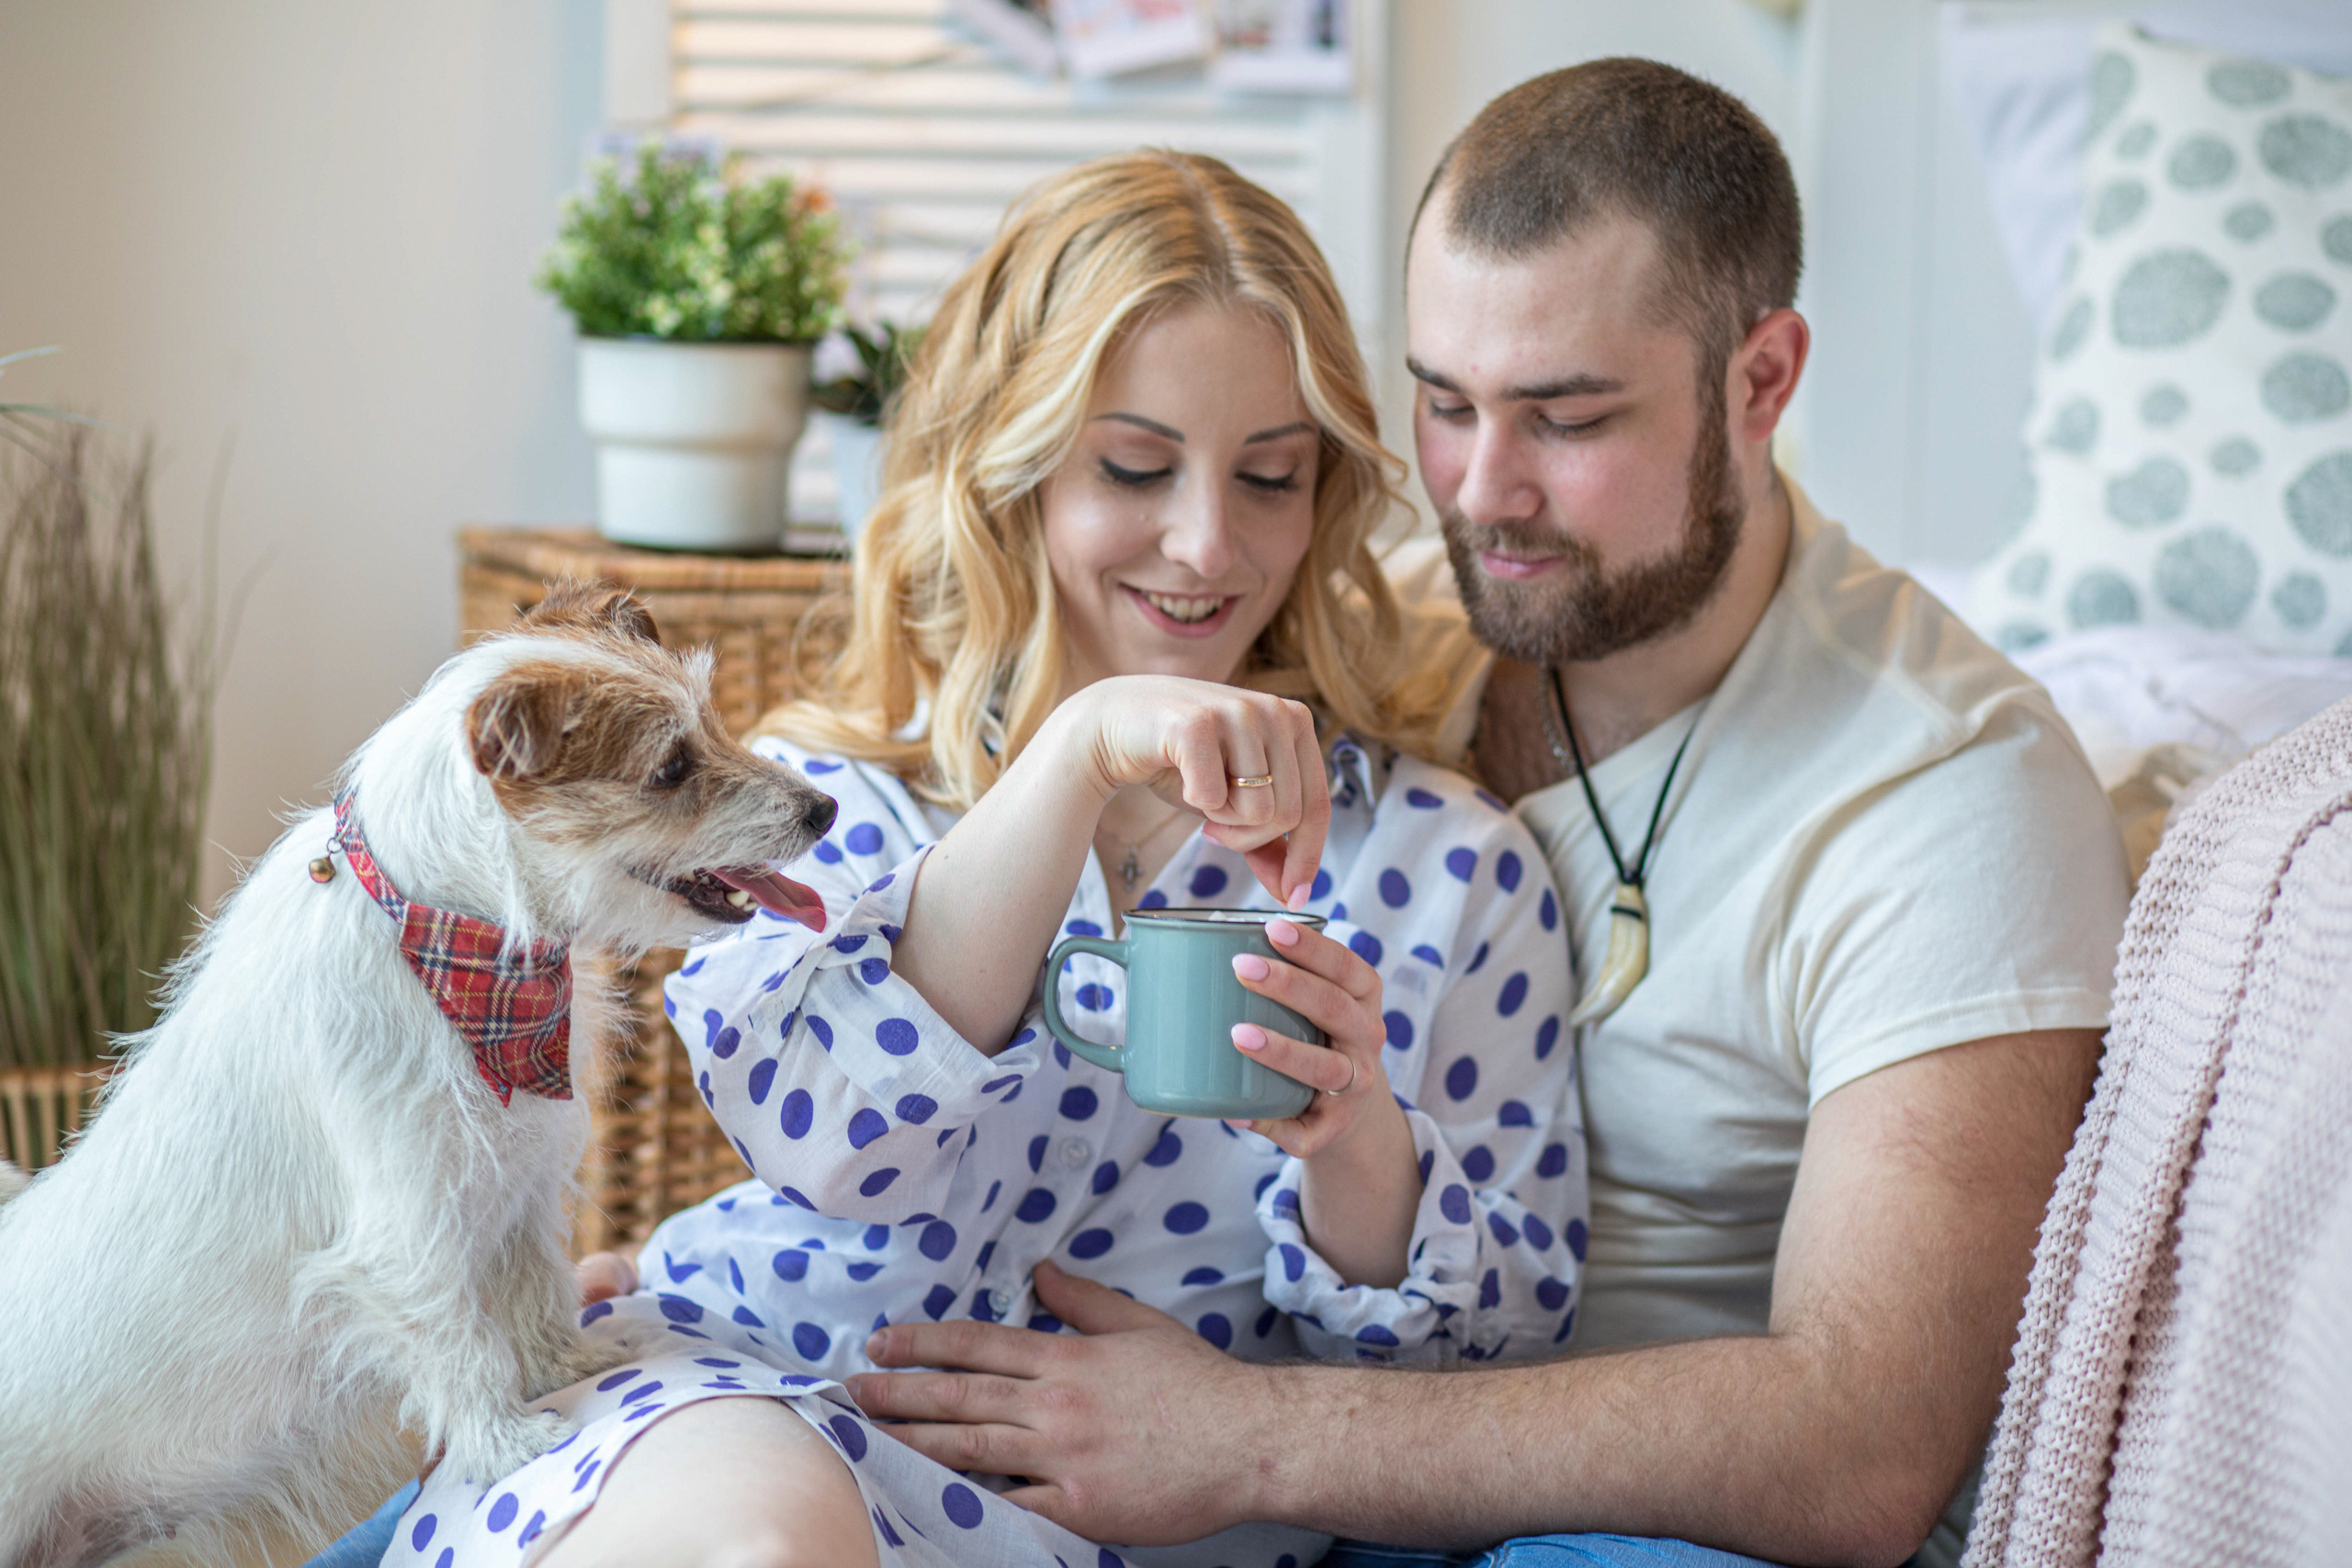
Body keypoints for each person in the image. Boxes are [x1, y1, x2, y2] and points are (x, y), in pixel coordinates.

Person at [839, 60, 2132, 1568]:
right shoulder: (1376, 651)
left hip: (1648, 1533)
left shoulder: (1949, 792)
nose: (1482, 493)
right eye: (1445, 406)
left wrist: (1249, 1439)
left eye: (1567, 418)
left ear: (1761, 378)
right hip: (1263, 1491)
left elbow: (1862, 1448)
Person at [383, 150, 1587, 1568]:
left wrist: (1357, 1140)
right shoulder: (833, 798)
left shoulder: (1450, 871)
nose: (1208, 543)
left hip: (1144, 1523)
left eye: (1271, 476)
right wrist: (1075, 754)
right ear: (1009, 470)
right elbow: (829, 1132)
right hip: (763, 1401)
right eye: (1133, 466)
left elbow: (1488, 1366)